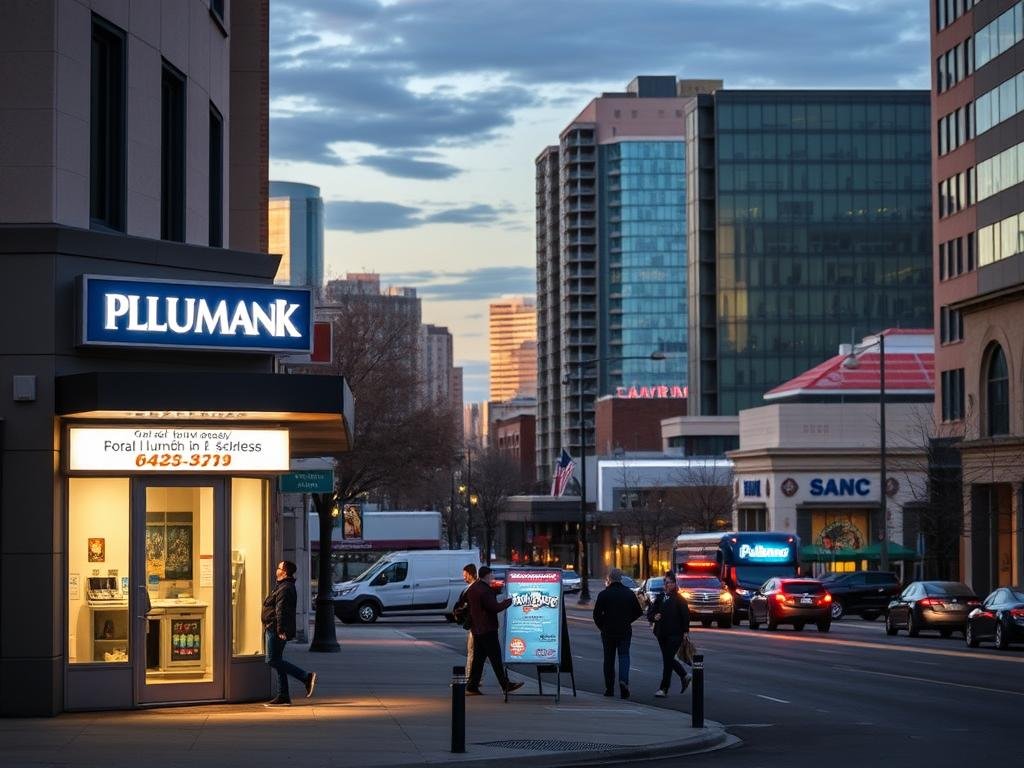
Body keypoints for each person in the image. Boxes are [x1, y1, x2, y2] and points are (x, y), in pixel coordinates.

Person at [261, 560, 317, 706]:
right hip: (273, 627)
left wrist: (280, 630)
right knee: (278, 661)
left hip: (275, 629)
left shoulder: (285, 588)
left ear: (284, 572)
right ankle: (283, 695)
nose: (276, 569)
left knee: (272, 660)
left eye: (279, 567)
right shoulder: (282, 586)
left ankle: (305, 677)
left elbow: (282, 611)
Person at [464, 565, 524, 696]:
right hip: (488, 629)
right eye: (492, 575)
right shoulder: (485, 590)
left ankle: (472, 685)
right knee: (495, 658)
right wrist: (509, 601)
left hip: (477, 629)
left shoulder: (473, 588)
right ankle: (505, 684)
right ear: (487, 575)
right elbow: (494, 607)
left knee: (478, 660)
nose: (493, 577)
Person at [592, 568, 643, 699]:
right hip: (624, 630)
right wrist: (627, 620)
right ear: (621, 579)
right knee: (624, 656)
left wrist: (602, 626)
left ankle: (609, 688)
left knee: (608, 660)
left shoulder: (604, 594)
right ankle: (623, 681)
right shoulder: (629, 594)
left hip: (608, 631)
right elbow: (638, 611)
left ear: (610, 579)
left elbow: (596, 615)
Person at [647, 571, 691, 698]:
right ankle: (684, 676)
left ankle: (664, 688)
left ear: (674, 584)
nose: (665, 585)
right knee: (668, 659)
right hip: (661, 633)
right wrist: (654, 616)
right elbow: (650, 613)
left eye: (668, 583)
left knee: (668, 659)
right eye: (664, 582)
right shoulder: (660, 598)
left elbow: (685, 616)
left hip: (675, 634)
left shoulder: (680, 599)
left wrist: (685, 632)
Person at [452, 563, 477, 680]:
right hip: (473, 625)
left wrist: (461, 610)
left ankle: (470, 678)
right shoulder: (470, 588)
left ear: (471, 574)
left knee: (472, 652)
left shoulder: (473, 588)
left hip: (475, 625)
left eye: (465, 575)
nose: (464, 577)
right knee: (474, 652)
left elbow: (468, 605)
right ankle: (474, 678)